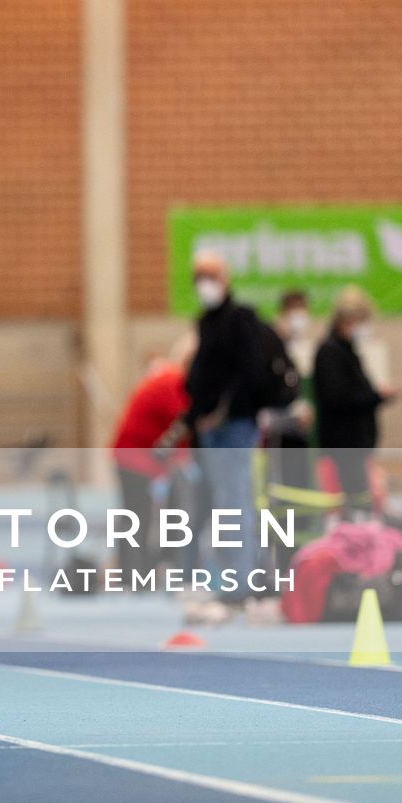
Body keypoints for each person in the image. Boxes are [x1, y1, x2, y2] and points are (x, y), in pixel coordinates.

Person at [183, 252, 272, 597]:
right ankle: (231, 578)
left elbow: (251, 372)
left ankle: (242, 582)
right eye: (198, 276)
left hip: (235, 424)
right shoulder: (205, 322)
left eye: (210, 275)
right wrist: (199, 415)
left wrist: (223, 408)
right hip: (210, 430)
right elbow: (200, 375)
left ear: (225, 277)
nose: (204, 283)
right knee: (222, 506)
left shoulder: (241, 319)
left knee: (236, 503)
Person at [111, 337, 193, 580]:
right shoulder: (173, 382)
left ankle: (136, 571)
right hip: (133, 457)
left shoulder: (171, 380)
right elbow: (184, 424)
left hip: (139, 456)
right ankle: (131, 574)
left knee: (137, 515)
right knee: (136, 516)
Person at [311, 285, 400, 511]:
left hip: (355, 445)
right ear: (348, 320)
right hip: (343, 445)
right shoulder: (330, 353)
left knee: (361, 502)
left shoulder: (348, 351)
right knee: (352, 504)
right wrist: (375, 396)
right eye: (362, 321)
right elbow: (338, 398)